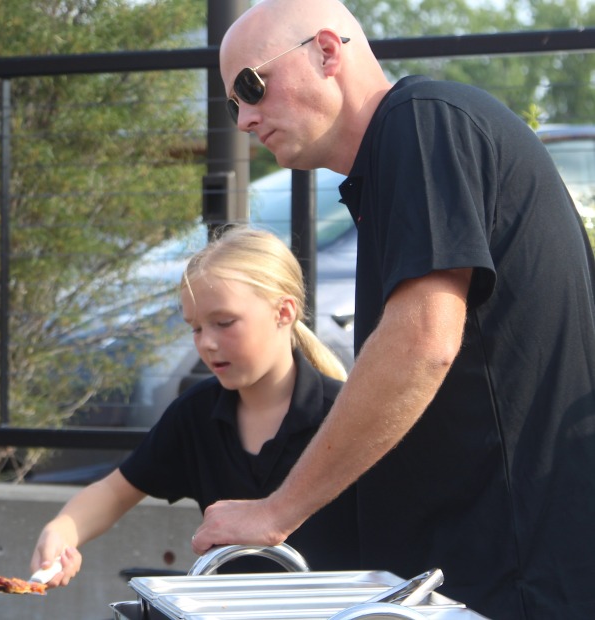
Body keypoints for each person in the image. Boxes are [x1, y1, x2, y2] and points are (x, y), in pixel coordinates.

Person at [199, 1, 595, 617]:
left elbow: (423, 342)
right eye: (233, 104)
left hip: (512, 577)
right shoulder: (396, 155)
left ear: (327, 52)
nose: (245, 118)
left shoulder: (420, 122)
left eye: (253, 85)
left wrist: (276, 513)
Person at [30, 226, 360, 588]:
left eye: (223, 323)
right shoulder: (196, 413)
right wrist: (61, 531)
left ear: (283, 312)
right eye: (196, 328)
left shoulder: (347, 412)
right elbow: (113, 492)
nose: (207, 343)